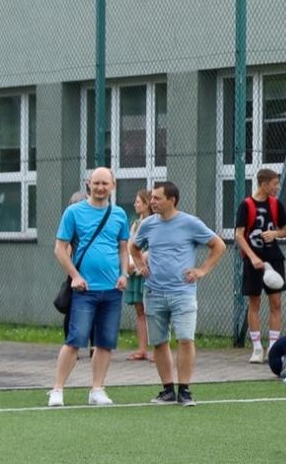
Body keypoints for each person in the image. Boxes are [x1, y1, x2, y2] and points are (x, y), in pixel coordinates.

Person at [131, 181, 225, 407]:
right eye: (151, 198)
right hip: (153, 292)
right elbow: (134, 247)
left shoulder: (190, 223)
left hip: (182, 292)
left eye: (157, 198)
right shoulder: (148, 225)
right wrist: (139, 264)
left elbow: (218, 245)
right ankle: (167, 391)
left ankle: (184, 390)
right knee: (160, 342)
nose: (152, 202)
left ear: (172, 200)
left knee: (185, 339)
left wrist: (202, 270)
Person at [48, 168, 129, 407]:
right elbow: (59, 248)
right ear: (88, 184)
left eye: (105, 183)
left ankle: (97, 389)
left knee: (105, 342)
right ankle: (57, 389)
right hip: (84, 290)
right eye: (97, 183)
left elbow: (123, 247)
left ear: (113, 185)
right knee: (75, 340)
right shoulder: (73, 212)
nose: (101, 187)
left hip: (112, 289)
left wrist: (124, 274)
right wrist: (74, 276)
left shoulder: (119, 214)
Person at [237, 168, 286, 364]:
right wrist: (252, 257)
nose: (276, 187)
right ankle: (257, 348)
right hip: (254, 261)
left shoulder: (276, 205)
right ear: (264, 184)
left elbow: (285, 230)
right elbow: (239, 235)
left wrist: (275, 234)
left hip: (273, 260)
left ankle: (273, 348)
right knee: (254, 303)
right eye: (274, 183)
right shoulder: (246, 205)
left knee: (276, 303)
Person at [124, 189, 153, 361]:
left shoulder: (154, 223)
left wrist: (140, 261)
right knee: (139, 310)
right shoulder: (135, 224)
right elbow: (130, 245)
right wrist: (129, 263)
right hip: (135, 270)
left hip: (148, 271)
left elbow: (153, 247)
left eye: (138, 201)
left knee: (153, 310)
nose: (135, 204)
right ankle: (142, 349)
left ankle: (158, 349)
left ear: (147, 203)